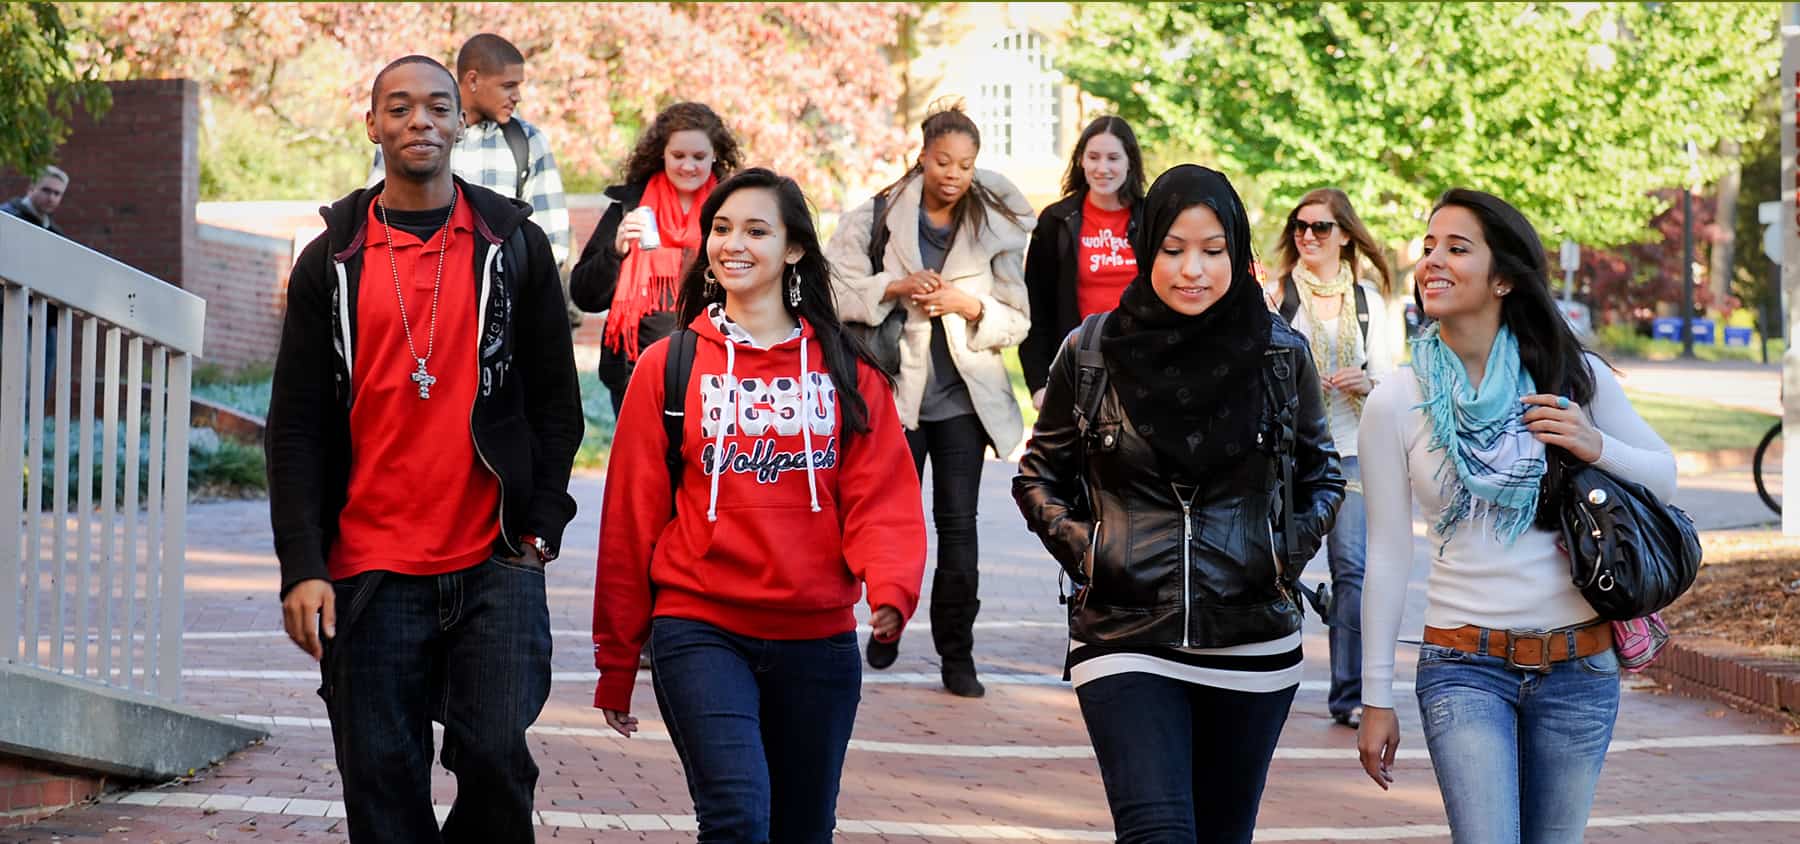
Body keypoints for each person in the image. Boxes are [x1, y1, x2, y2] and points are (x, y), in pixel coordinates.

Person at [268, 55, 583, 843]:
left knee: (495, 760)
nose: (420, 122)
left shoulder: (514, 245)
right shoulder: (331, 263)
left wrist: (540, 526)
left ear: (459, 121)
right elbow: (296, 428)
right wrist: (303, 565)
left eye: (437, 107)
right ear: (372, 125)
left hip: (494, 557)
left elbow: (556, 402)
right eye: (399, 108)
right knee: (381, 778)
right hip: (368, 568)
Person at [591, 168, 926, 843]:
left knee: (803, 829)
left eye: (755, 230)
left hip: (818, 639)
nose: (731, 244)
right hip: (699, 626)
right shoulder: (669, 365)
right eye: (720, 228)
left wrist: (890, 587)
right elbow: (630, 518)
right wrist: (618, 658)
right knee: (738, 817)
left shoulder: (846, 371)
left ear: (794, 248)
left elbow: (880, 496)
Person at [1013, 164, 1345, 843]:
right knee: (1156, 832)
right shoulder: (1092, 350)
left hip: (1253, 639)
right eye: (1173, 249)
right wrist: (1093, 550)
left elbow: (1323, 475)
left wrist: (1278, 556)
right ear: (1146, 247)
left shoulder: (1281, 354)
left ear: (1238, 254)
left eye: (1213, 251)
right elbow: (1037, 474)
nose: (1192, 269)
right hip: (1125, 636)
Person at [1357, 189, 1677, 842]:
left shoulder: (1574, 378)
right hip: (1462, 669)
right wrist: (1374, 698)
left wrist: (1596, 445)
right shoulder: (1395, 399)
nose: (1432, 262)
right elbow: (1389, 555)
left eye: (1456, 247)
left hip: (1580, 669)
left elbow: (1665, 478)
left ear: (1503, 276)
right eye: (1427, 248)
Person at [825, 103, 1035, 698]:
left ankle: (957, 655)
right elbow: (833, 291)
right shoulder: (876, 216)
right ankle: (884, 621)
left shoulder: (994, 226)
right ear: (922, 156)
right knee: (886, 520)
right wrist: (894, 287)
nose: (953, 174)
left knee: (959, 529)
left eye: (966, 165)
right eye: (943, 161)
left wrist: (968, 307)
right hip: (895, 394)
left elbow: (1017, 319)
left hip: (966, 401)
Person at [1266, 188, 1396, 729]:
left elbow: (1392, 381)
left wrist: (1367, 382)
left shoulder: (1368, 301)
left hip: (1351, 451)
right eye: (1300, 226)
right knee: (1273, 565)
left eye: (1320, 228)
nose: (1308, 237)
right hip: (1288, 452)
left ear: (1345, 234)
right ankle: (1265, 674)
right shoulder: (1276, 295)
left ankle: (1348, 695)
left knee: (1353, 570)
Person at [570, 102, 741, 413]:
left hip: (713, 370)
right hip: (635, 373)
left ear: (715, 154)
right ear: (661, 153)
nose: (688, 166)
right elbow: (585, 296)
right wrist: (616, 250)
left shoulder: (733, 209)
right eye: (678, 156)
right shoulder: (629, 206)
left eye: (699, 157)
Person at [368, 34, 571, 268]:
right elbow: (376, 219)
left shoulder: (526, 141)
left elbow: (552, 241)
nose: (517, 97)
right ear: (473, 80)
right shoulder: (410, 139)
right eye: (508, 86)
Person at [1019, 116, 1145, 408]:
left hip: (1141, 369)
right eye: (1093, 157)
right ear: (1081, 162)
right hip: (1076, 371)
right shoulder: (1056, 221)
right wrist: (1038, 384)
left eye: (1113, 158)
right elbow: (1035, 308)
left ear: (1130, 163)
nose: (1103, 168)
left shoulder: (1151, 218)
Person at [2, 166, 69, 237]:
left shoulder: (55, 233)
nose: (51, 198)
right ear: (31, 188)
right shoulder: (6, 216)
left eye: (57, 193)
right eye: (46, 190)